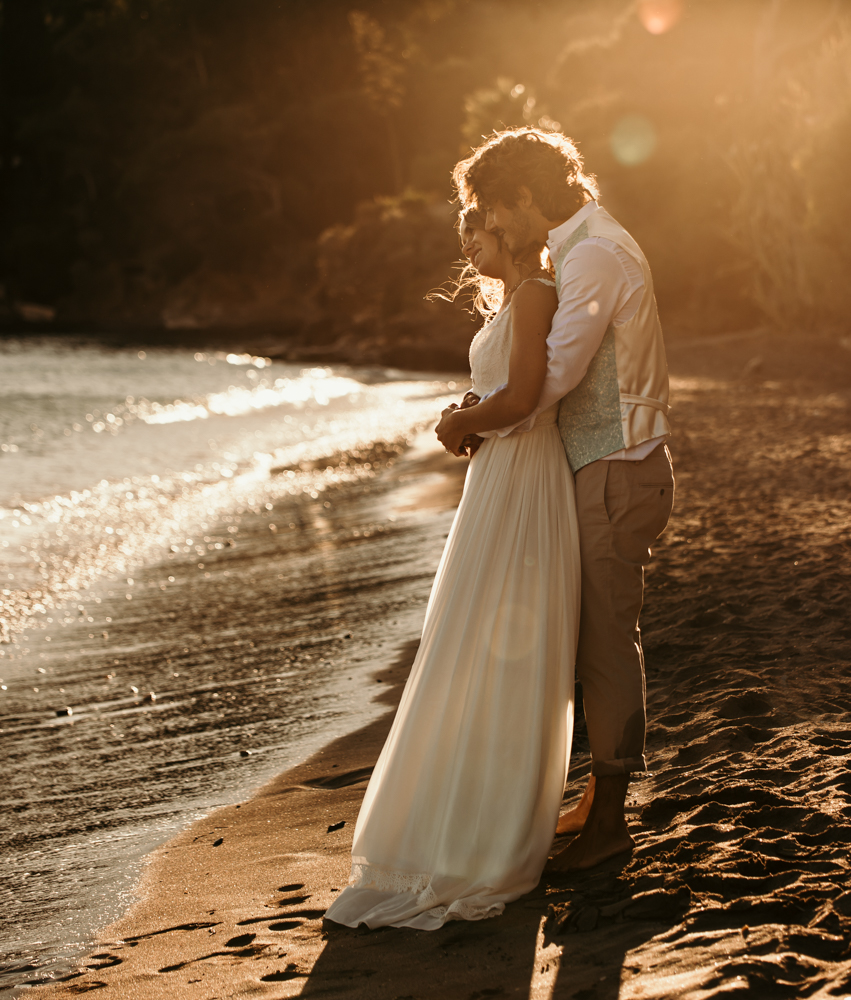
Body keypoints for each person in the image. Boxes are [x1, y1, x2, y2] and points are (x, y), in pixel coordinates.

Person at [324, 209, 578, 930]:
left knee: (494, 650)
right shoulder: (514, 298)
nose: (466, 242)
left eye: (478, 228)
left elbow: (527, 398)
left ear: (511, 230)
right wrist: (474, 413)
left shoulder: (535, 293)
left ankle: (487, 838)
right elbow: (511, 393)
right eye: (463, 229)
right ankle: (462, 823)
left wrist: (466, 422)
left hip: (526, 478)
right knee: (468, 644)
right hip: (501, 473)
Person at [438, 127, 674, 872]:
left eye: (493, 209)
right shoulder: (579, 249)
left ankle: (611, 824)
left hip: (617, 467)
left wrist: (475, 420)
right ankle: (593, 799)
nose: (493, 227)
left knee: (605, 644)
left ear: (525, 197)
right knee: (582, 641)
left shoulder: (596, 254)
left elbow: (556, 375)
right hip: (593, 466)